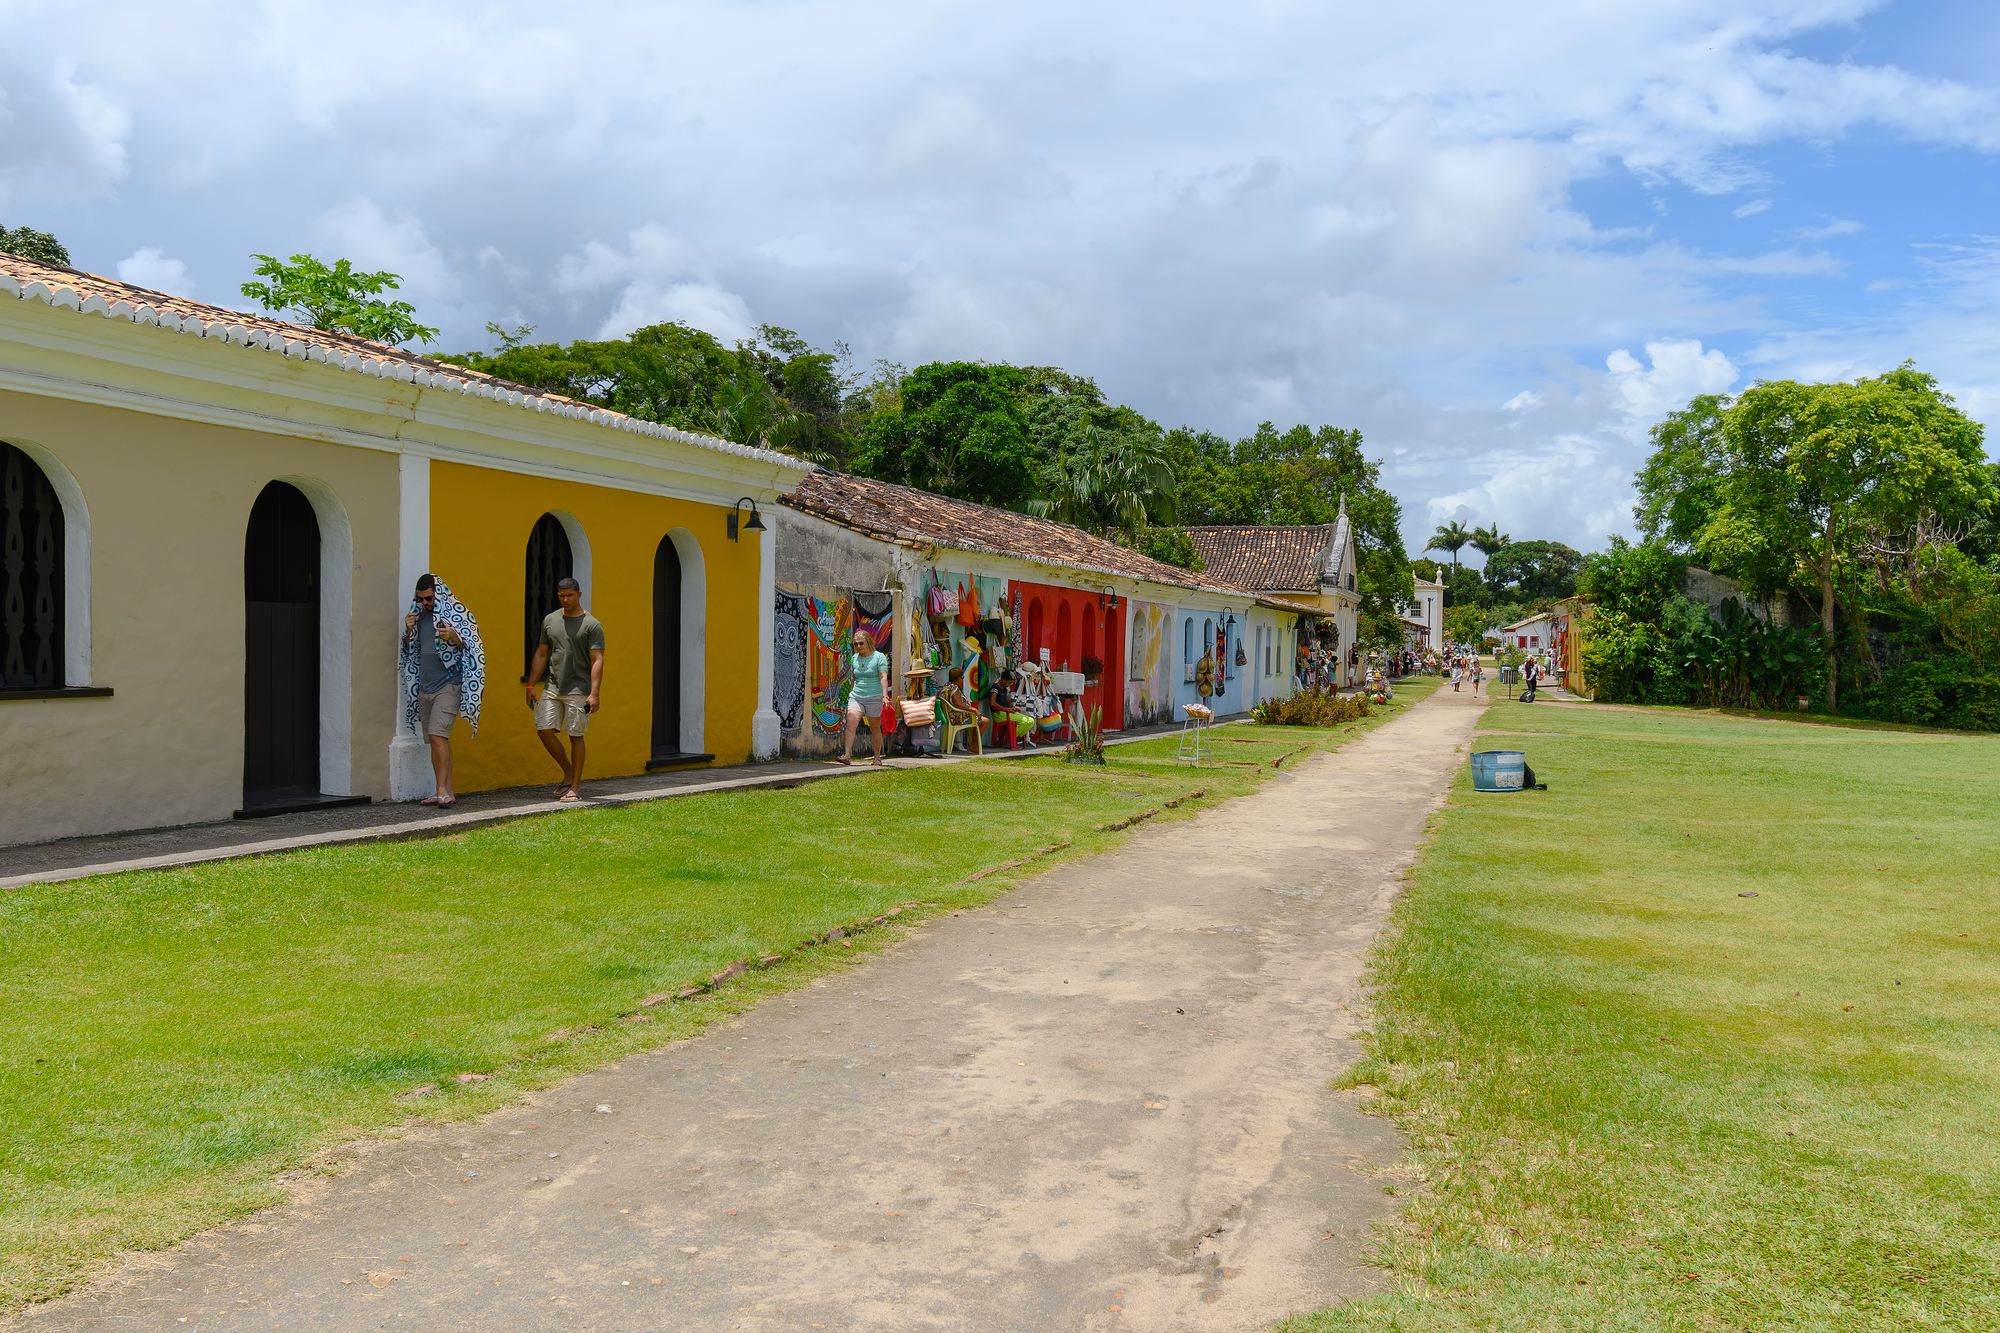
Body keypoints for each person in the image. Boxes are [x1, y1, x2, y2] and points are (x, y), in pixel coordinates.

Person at [399, 573, 485, 809]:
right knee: (437, 740)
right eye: (421, 599)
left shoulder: (457, 614)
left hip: (449, 684)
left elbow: (473, 647)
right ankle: (447, 791)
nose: (425, 603)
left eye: (429, 598)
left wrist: (454, 637)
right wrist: (408, 630)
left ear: (440, 593)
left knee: (438, 736)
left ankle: (440, 791)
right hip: (425, 686)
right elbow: (408, 651)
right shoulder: (417, 617)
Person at [525, 577, 605, 801]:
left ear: (579, 594)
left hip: (579, 689)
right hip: (553, 686)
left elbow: (597, 659)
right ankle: (568, 772)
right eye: (562, 596)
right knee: (544, 729)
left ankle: (575, 788)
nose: (566, 599)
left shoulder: (592, 625)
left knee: (575, 735)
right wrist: (531, 685)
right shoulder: (551, 620)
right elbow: (542, 653)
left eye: (570, 595)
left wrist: (594, 693)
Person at [839, 627, 893, 765]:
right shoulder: (854, 658)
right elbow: (852, 677)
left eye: (861, 643)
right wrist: (850, 692)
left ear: (868, 642)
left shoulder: (878, 657)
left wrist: (885, 696)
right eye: (856, 644)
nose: (858, 646)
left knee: (874, 727)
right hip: (857, 696)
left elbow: (883, 676)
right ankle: (847, 756)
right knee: (851, 724)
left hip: (874, 697)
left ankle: (877, 758)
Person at [985, 669, 1036, 749]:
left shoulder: (1005, 689)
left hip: (1007, 712)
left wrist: (1011, 706)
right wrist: (1006, 709)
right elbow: (992, 703)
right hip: (999, 714)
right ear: (1003, 680)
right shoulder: (995, 688)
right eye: (1008, 683)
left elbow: (1007, 701)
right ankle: (1010, 740)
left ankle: (1015, 737)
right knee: (1023, 720)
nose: (1009, 685)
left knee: (1030, 721)